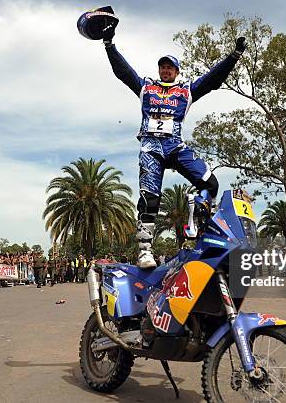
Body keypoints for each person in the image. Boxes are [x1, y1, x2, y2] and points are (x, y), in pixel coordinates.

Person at [101, 24, 247, 268]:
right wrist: (109, 45)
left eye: (170, 67)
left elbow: (212, 79)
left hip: (175, 146)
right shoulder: (146, 87)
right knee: (150, 199)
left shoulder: (186, 90)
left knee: (210, 183)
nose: (166, 70)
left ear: (177, 71)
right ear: (159, 70)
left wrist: (233, 57)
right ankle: (145, 251)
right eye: (163, 67)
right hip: (151, 148)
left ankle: (199, 227)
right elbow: (124, 72)